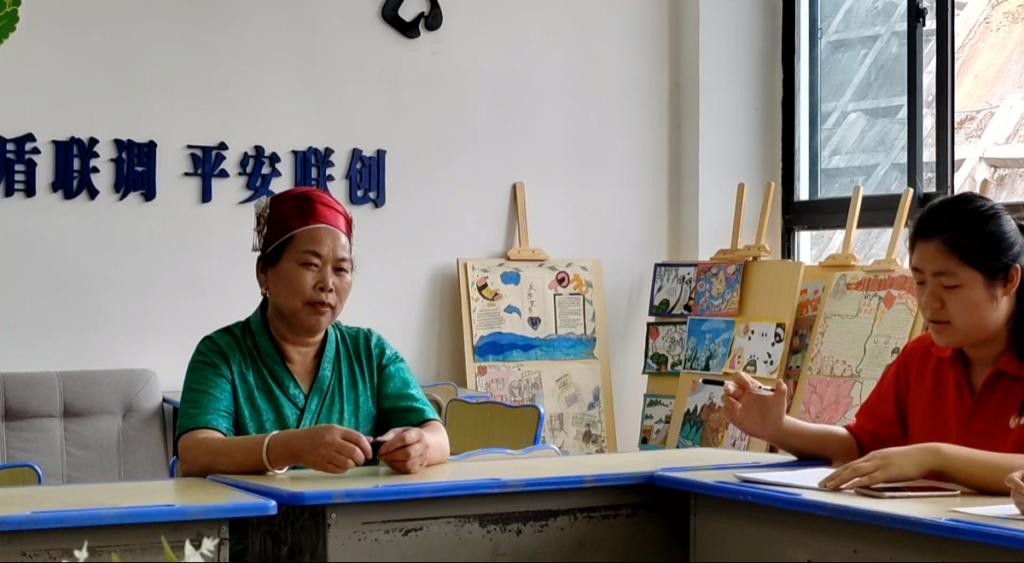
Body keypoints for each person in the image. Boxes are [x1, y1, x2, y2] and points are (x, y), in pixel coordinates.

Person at [726, 192, 1024, 494]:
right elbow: (859, 447)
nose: (929, 302)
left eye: (950, 285)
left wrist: (934, 456)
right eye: (920, 282)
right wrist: (778, 428)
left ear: (1009, 280)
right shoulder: (921, 357)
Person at [176, 187, 449, 479]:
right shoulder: (221, 354)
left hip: (354, 510)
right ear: (264, 272)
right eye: (311, 265)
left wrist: (419, 447)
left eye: (341, 269)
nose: (327, 283)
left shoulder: (369, 352)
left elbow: (438, 437)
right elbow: (195, 453)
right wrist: (290, 447)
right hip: (252, 511)